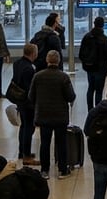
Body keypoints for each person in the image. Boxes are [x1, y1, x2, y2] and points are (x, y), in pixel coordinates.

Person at [29, 49, 76, 179]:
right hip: (60, 116)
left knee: (44, 143)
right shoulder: (63, 77)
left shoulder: (38, 76)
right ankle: (62, 170)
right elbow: (70, 96)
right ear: (59, 61)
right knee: (61, 143)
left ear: (47, 60)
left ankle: (44, 170)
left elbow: (31, 96)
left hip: (43, 116)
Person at [12, 43, 40, 167]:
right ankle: (27, 156)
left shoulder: (17, 64)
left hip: (19, 100)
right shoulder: (29, 68)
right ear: (33, 53)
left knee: (23, 127)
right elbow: (30, 89)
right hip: (27, 103)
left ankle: (21, 151)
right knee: (29, 128)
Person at [79, 16, 107, 110]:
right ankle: (98, 110)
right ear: (103, 25)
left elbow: (81, 53)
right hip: (101, 68)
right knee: (99, 91)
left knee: (90, 88)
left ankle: (90, 109)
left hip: (89, 67)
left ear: (94, 24)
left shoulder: (86, 37)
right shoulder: (105, 39)